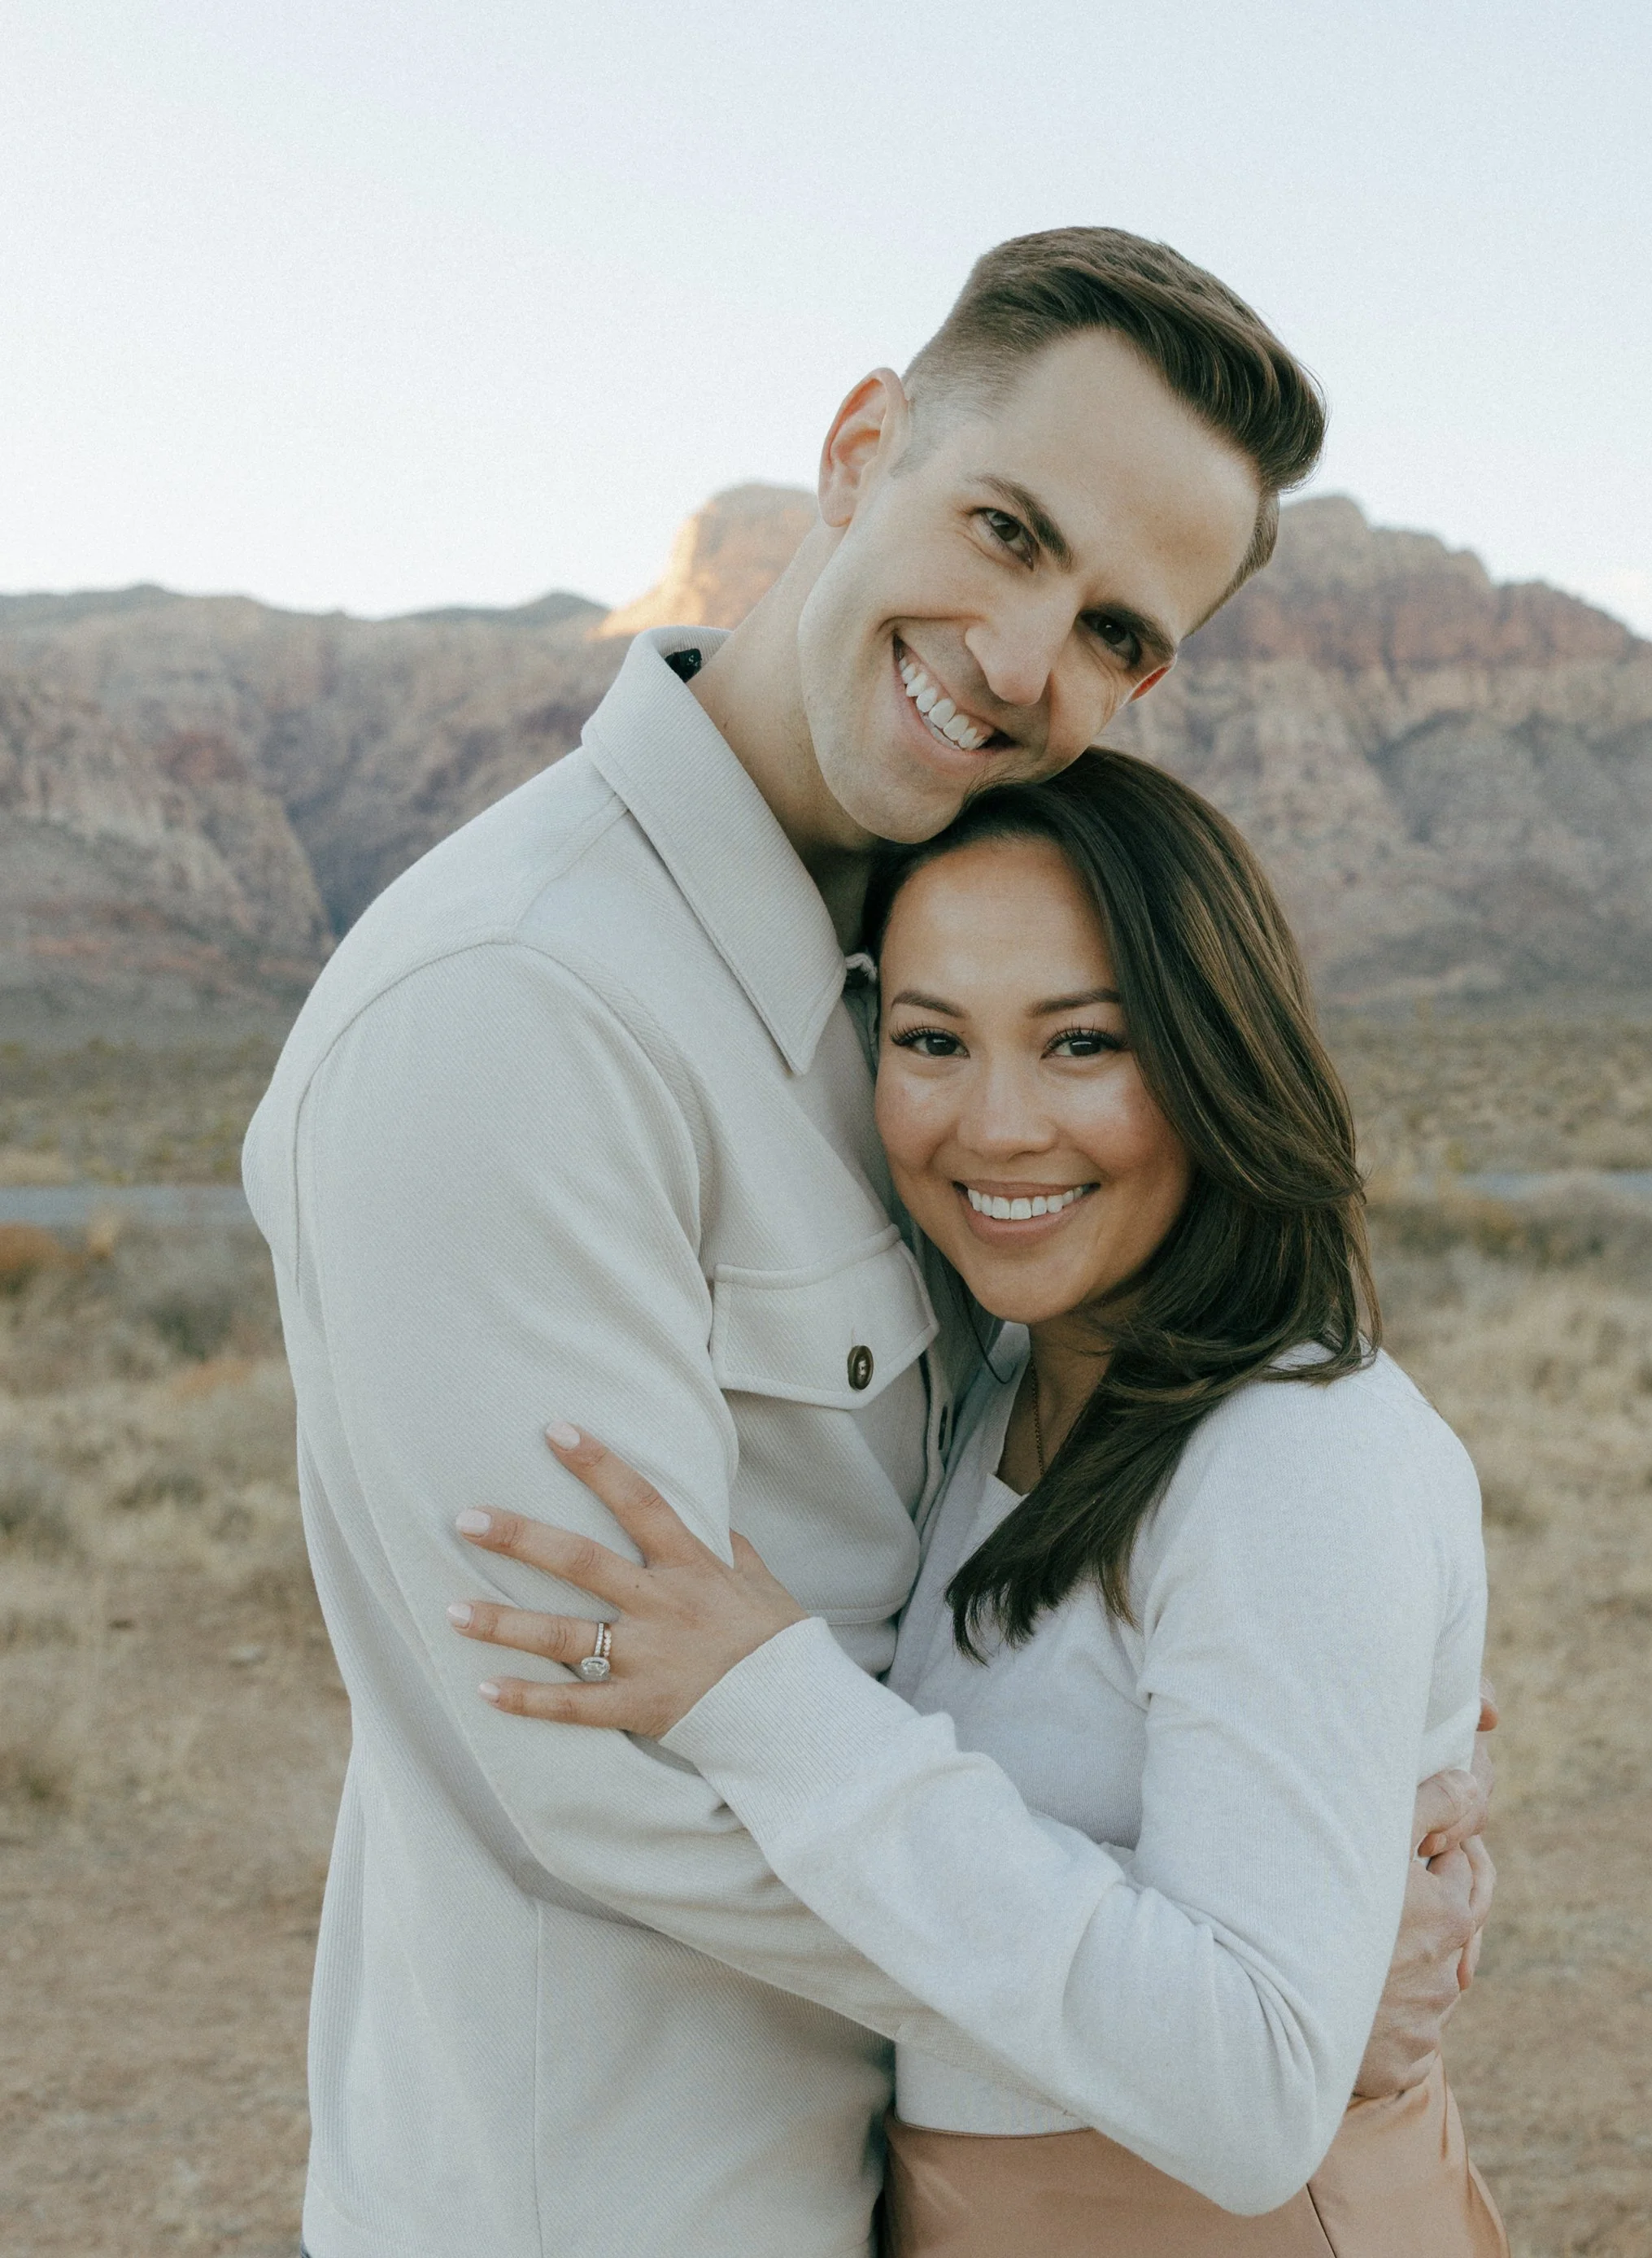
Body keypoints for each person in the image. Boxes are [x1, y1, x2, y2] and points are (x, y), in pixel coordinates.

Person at [244, 228, 1493, 2258]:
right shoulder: (512, 1006)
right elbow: (602, 1768)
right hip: (630, 2196)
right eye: (1004, 529)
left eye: (1117, 632)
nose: (1023, 660)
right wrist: (1239, 1982)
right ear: (855, 449)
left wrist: (1315, 1860)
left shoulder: (915, 966)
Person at [450, 751, 1506, 2255]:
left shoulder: (1296, 1453)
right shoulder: (997, 1379)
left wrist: (775, 1704)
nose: (995, 1128)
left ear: (1219, 1055)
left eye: (1082, 1045)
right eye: (933, 1040)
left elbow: (1252, 2094)